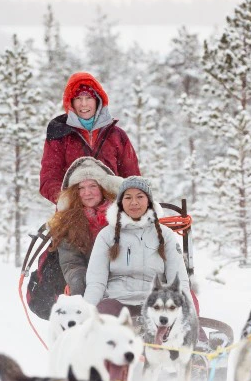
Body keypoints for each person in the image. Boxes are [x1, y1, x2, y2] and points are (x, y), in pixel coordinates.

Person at [84, 176, 191, 317]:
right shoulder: (106, 235)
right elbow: (96, 281)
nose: (134, 202)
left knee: (180, 325)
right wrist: (85, 314)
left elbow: (178, 280)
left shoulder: (166, 235)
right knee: (101, 320)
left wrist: (189, 316)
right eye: (128, 198)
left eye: (140, 197)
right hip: (116, 300)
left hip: (156, 303)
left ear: (149, 201)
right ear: (121, 202)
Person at [39, 71, 140, 204]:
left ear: (98, 100)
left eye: (89, 98)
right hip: (73, 212)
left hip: (113, 210)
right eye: (78, 99)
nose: (84, 104)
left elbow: (132, 178)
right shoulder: (59, 135)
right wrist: (67, 199)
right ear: (71, 103)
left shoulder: (116, 135)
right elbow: (49, 178)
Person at [47, 157, 122, 296]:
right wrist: (78, 281)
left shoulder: (123, 215)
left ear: (103, 188)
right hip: (89, 285)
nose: (87, 193)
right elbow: (71, 262)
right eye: (81, 188)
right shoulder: (68, 222)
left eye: (93, 186)